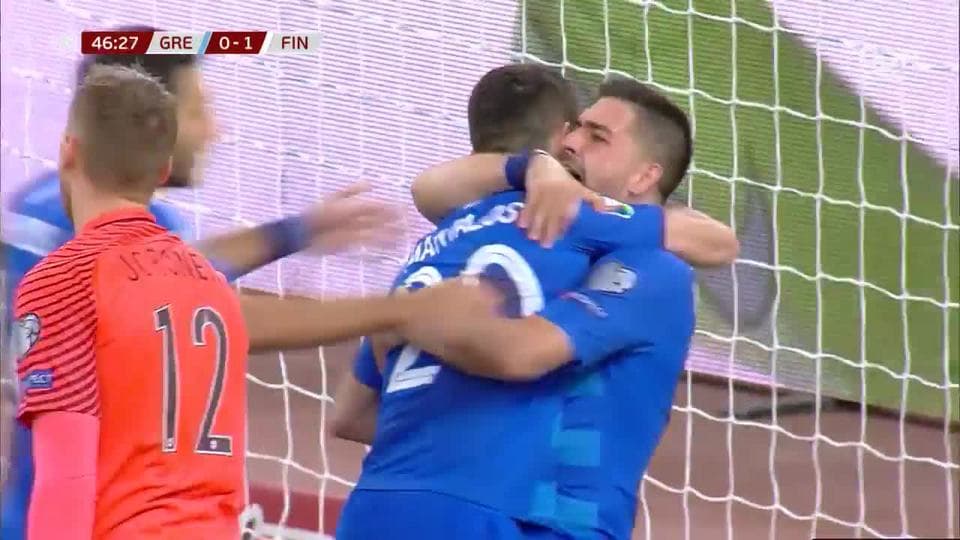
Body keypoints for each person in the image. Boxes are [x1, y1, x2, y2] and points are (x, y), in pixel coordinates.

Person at [11, 64, 482, 540]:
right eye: (200, 110)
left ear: (69, 150)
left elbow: (66, 476)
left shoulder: (60, 272)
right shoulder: (204, 278)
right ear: (163, 168)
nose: (215, 129)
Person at [332, 65, 730, 539]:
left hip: (382, 502)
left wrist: (404, 321)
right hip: (521, 520)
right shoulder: (589, 239)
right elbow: (518, 354)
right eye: (574, 129)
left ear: (646, 174)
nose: (571, 143)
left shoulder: (459, 231)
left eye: (597, 136)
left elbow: (350, 414)